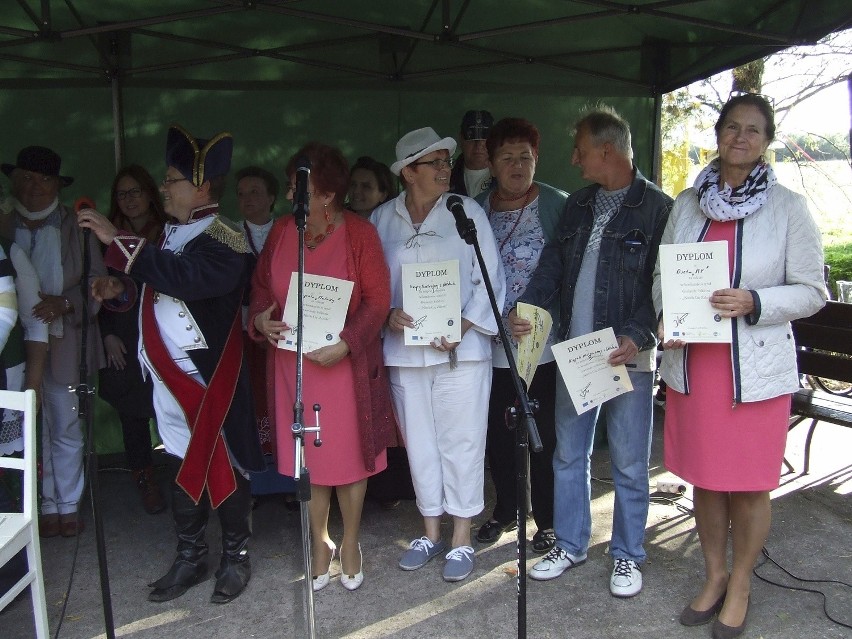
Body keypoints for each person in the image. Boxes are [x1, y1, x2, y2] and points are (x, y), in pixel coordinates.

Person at [653, 93, 826, 638]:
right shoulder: (687, 204)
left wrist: (756, 301)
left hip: (755, 369)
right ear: (719, 133)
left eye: (753, 130)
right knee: (707, 479)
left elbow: (812, 291)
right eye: (732, 127)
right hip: (698, 364)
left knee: (749, 483)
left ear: (766, 141)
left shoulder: (789, 208)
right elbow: (664, 276)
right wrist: (667, 314)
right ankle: (714, 575)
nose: (741, 138)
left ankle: (743, 582)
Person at [78, 124, 265, 604]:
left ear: (201, 187)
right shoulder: (170, 234)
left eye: (172, 179)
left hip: (208, 376)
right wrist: (121, 286)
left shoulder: (228, 239)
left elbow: (188, 280)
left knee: (224, 459)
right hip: (167, 376)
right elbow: (161, 285)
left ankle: (236, 557)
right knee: (184, 459)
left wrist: (115, 238)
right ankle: (190, 555)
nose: (163, 187)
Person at [510, 106, 672, 597]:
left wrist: (640, 334)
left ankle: (627, 556)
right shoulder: (579, 205)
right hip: (577, 353)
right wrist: (529, 307)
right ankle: (572, 544)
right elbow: (552, 266)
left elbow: (662, 286)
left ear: (606, 150)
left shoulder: (659, 208)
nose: (574, 159)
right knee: (569, 454)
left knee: (627, 461)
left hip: (628, 355)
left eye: (580, 149)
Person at [249, 142, 396, 592]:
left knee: (348, 459)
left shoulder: (359, 234)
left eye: (299, 187)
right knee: (306, 459)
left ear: (328, 194)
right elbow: (260, 287)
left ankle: (350, 542)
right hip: (292, 365)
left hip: (342, 367)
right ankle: (319, 542)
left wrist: (349, 344)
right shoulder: (279, 231)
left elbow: (378, 302)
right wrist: (260, 318)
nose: (292, 193)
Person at [372, 127, 505, 583]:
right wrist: (387, 313)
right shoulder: (381, 219)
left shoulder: (465, 212)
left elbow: (491, 279)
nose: (447, 168)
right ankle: (429, 530)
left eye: (447, 161)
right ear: (409, 172)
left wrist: (464, 324)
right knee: (421, 445)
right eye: (436, 163)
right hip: (405, 354)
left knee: (463, 443)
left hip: (461, 353)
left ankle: (462, 537)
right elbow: (372, 287)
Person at [1, 145, 106, 538]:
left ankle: (67, 503)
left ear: (56, 185)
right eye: (25, 178)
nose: (33, 187)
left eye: (42, 180)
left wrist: (63, 303)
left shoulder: (75, 226)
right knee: (26, 423)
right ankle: (40, 503)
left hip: (66, 342)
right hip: (12, 347)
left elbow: (97, 283)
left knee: (64, 425)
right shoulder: (5, 222)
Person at [473, 117, 567, 553]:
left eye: (525, 157)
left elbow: (571, 272)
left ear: (537, 160)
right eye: (506, 158)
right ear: (490, 163)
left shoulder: (556, 205)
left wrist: (539, 310)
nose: (516, 166)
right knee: (498, 433)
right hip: (489, 346)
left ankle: (546, 518)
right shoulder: (474, 209)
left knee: (542, 433)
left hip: (541, 347)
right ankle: (506, 510)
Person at [98, 165, 168, 515]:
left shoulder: (168, 230)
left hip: (163, 333)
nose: (128, 200)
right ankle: (145, 477)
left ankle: (181, 474)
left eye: (135, 191)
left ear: (149, 192)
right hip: (123, 334)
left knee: (170, 406)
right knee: (132, 410)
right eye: (122, 194)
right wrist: (106, 334)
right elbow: (95, 288)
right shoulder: (104, 237)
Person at [234, 166, 280, 465]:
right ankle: (254, 478)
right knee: (249, 401)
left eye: (255, 192)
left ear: (272, 197)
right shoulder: (228, 235)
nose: (247, 199)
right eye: (241, 194)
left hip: (282, 332)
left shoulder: (289, 231)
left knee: (281, 398)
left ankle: (287, 479)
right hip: (240, 332)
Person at [449, 110, 495, 197]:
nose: (479, 144)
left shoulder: (506, 175)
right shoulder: (446, 178)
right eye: (471, 138)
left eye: (485, 138)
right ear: (461, 139)